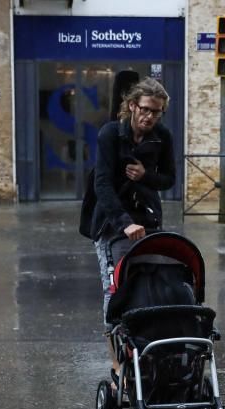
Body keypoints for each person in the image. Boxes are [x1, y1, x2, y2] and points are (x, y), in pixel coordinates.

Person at [88, 77, 176, 382]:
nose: (150, 117)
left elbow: (168, 179)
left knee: (152, 285)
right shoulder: (111, 134)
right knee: (114, 290)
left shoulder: (162, 136)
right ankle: (118, 366)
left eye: (157, 112)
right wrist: (124, 223)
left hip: (148, 219)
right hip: (112, 223)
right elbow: (102, 184)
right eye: (146, 109)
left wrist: (145, 175)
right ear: (132, 106)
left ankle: (148, 353)